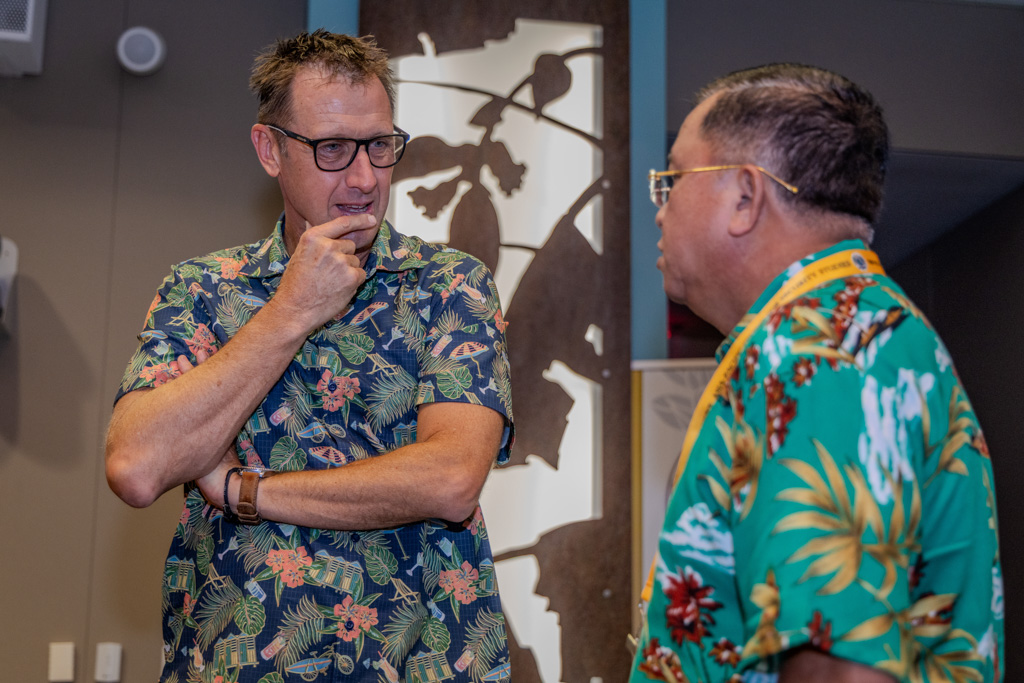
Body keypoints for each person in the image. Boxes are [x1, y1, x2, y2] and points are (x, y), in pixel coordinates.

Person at [105, 30, 514, 683]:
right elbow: (135, 465)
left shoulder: (450, 284)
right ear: (270, 149)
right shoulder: (203, 290)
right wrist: (291, 310)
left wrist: (246, 490)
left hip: (423, 662)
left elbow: (450, 477)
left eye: (379, 145)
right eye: (332, 149)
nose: (364, 178)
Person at [631, 64, 1002, 682]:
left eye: (673, 179)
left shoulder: (820, 349)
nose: (660, 211)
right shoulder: (840, 331)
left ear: (745, 197)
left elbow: (840, 664)